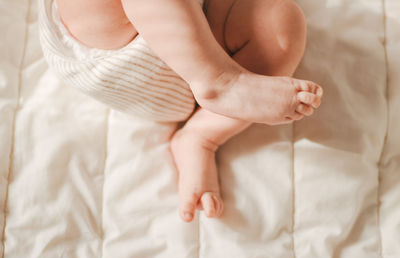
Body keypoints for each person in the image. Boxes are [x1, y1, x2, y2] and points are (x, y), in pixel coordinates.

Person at [40, 0, 323, 223]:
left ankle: (202, 133)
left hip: (203, 27)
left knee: (282, 22)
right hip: (113, 41)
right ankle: (219, 81)